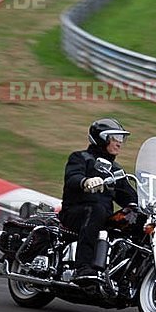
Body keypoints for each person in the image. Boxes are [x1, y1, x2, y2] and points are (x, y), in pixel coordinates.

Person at [59, 118, 137, 282]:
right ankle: (83, 268)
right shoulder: (81, 158)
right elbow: (73, 177)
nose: (119, 143)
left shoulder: (116, 170)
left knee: (134, 217)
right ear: (102, 139)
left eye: (121, 139)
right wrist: (85, 181)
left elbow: (129, 196)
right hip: (75, 212)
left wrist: (151, 204)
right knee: (96, 210)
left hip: (102, 217)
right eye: (115, 138)